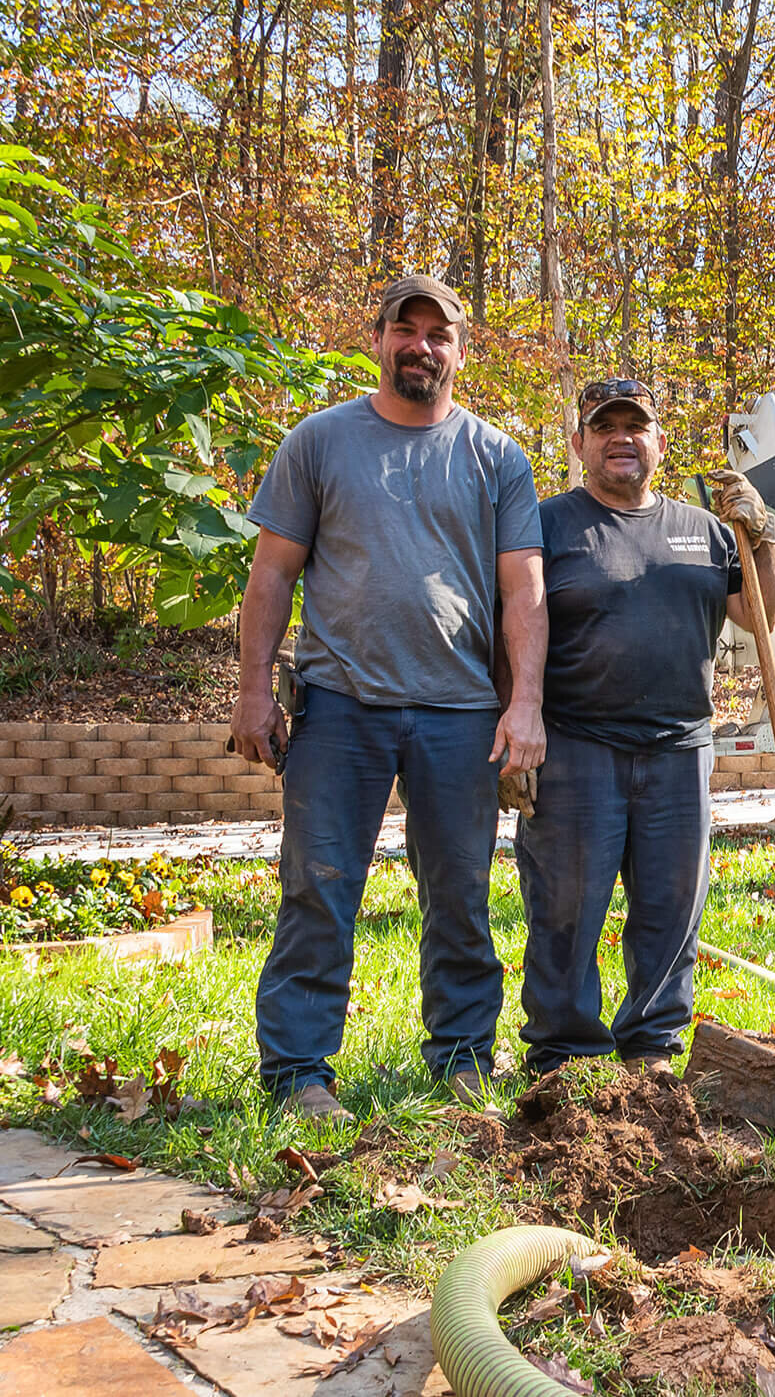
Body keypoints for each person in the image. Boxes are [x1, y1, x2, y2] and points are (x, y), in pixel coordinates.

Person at [230, 275, 548, 1121]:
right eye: (404, 330)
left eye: (437, 333)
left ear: (460, 350)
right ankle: (299, 1073)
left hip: (459, 714)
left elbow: (525, 592)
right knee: (319, 886)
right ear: (377, 340)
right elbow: (271, 574)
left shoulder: (496, 456)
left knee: (460, 892)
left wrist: (524, 707)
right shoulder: (321, 441)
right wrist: (253, 690)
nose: (421, 346)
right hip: (341, 706)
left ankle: (464, 1057)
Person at [514, 377, 775, 1074]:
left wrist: (764, 535)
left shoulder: (704, 528)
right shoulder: (546, 524)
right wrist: (515, 724)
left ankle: (652, 1046)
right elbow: (508, 628)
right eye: (604, 427)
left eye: (635, 426)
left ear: (659, 443)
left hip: (679, 748)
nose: (620, 438)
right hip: (576, 746)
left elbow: (759, 615)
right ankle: (564, 1050)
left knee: (670, 908)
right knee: (566, 907)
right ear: (578, 444)